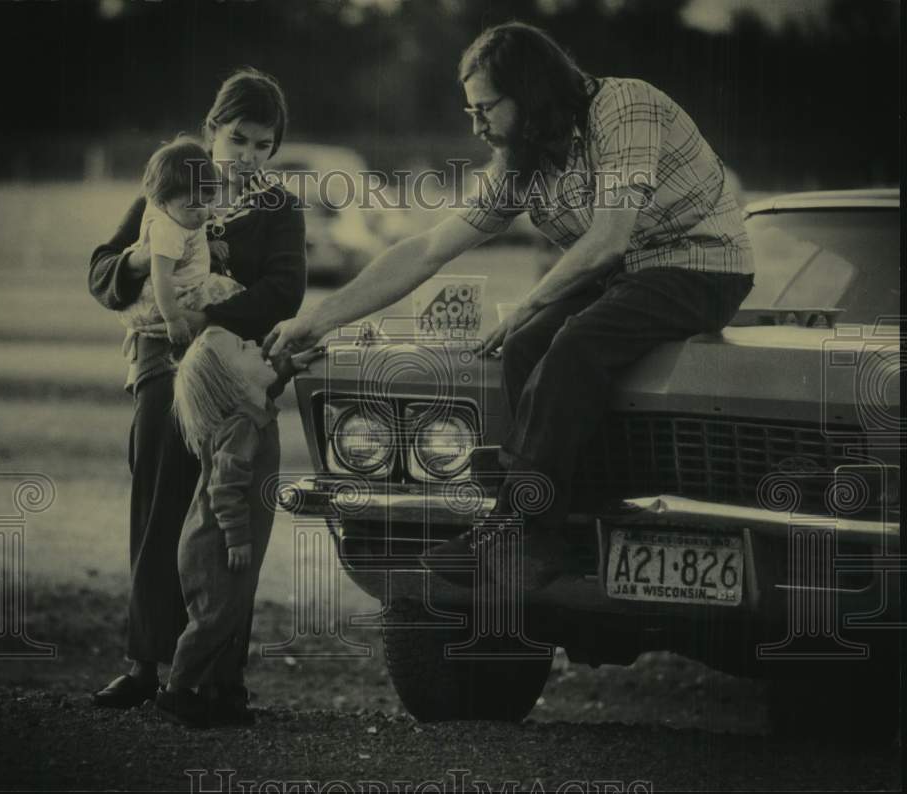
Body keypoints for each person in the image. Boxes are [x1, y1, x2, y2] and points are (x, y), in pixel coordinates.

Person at [264, 23, 754, 591]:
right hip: (628, 277)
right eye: (470, 112)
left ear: (531, 90)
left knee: (573, 344)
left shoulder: (626, 106)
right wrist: (317, 318)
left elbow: (607, 240)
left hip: (702, 265)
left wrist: (529, 301)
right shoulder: (524, 162)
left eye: (486, 109)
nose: (476, 126)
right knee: (523, 345)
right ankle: (561, 526)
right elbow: (425, 250)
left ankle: (516, 529)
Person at [89, 67, 306, 708]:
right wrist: (143, 255)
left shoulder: (277, 207)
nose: (248, 157)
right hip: (162, 369)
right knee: (160, 509)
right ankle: (144, 664)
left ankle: (216, 676)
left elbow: (284, 293)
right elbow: (100, 272)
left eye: (264, 145)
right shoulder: (172, 183)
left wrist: (202, 315)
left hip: (235, 374)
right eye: (238, 139)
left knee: (226, 520)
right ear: (213, 130)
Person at [154, 328, 282, 728]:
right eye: (245, 346)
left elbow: (269, 372)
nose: (256, 343)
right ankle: (177, 692)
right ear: (232, 381)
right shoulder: (241, 425)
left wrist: (294, 359)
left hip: (223, 540)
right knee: (214, 619)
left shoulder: (252, 411)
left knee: (229, 617)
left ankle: (221, 694)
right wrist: (238, 538)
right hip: (215, 542)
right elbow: (224, 487)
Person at [117, 137, 244, 351]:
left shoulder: (181, 212)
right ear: (161, 202)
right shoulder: (166, 231)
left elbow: (190, 242)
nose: (201, 214)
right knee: (233, 293)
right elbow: (161, 277)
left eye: (206, 201)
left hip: (176, 290)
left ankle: (141, 333)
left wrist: (208, 247)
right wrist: (173, 319)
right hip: (169, 295)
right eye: (190, 207)